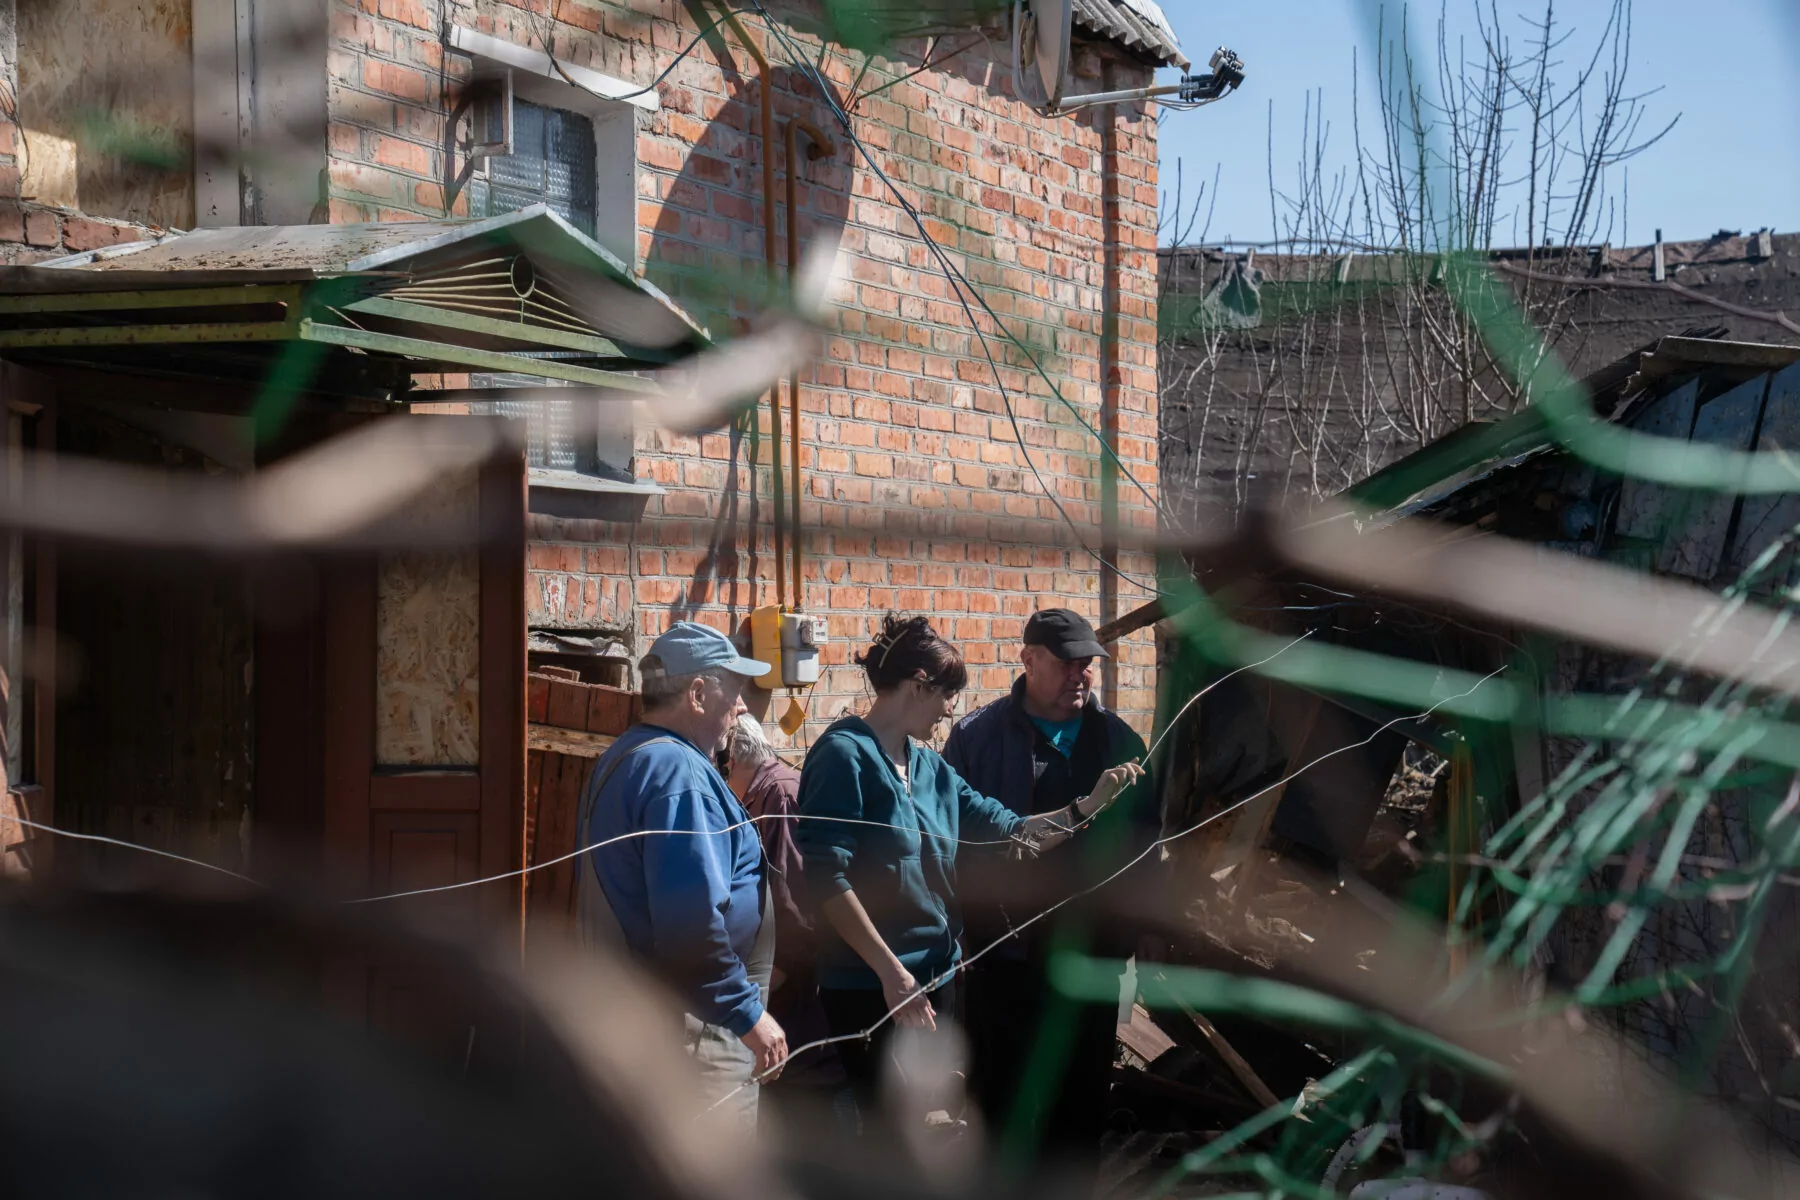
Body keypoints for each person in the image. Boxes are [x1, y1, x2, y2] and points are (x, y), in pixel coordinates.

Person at [796, 613, 1143, 1136]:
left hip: (933, 984)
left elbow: (1011, 833)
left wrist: (1086, 807)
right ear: (918, 687)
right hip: (873, 988)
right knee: (894, 1139)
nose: (950, 710)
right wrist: (892, 976)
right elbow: (827, 878)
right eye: (946, 696)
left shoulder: (930, 767)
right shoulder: (843, 755)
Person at [942, 607, 1157, 1167]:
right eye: (1067, 664)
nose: (1080, 676)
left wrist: (1134, 933)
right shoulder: (976, 740)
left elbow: (1146, 849)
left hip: (1089, 958)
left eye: (1087, 665)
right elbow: (952, 843)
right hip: (1003, 956)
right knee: (1000, 1103)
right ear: (1029, 659)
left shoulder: (1119, 743)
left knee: (1079, 1108)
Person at [577, 621, 787, 1131]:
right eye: (735, 693)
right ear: (697, 694)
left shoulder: (630, 754)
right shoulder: (678, 774)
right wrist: (748, 1016)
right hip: (696, 1034)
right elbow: (689, 923)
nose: (741, 709)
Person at [725, 713, 842, 1095]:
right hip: (776, 975)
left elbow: (797, 904)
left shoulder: (780, 795)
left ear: (732, 761)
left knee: (799, 1084)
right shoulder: (763, 793)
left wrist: (771, 979)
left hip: (792, 980)